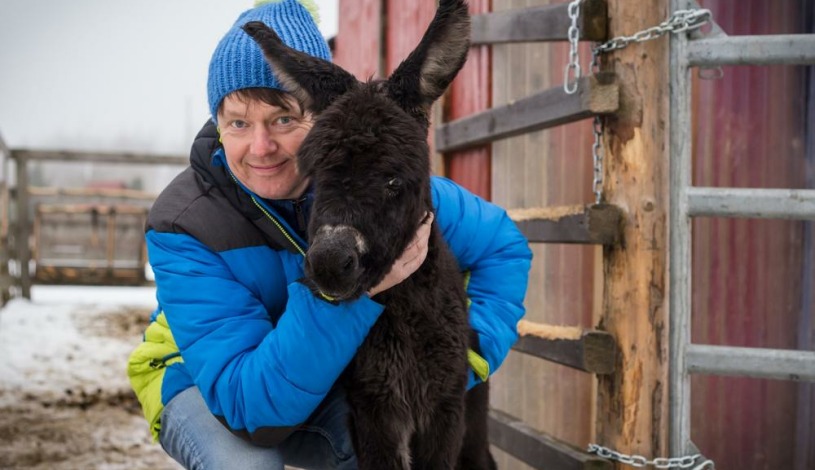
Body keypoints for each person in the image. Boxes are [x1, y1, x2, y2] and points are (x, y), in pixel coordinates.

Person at [127, 0, 532, 468]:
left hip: (313, 371)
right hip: (211, 383)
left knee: (369, 444)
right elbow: (252, 410)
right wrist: (356, 293)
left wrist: (470, 355)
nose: (261, 148)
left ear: (320, 115)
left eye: (282, 119)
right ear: (218, 127)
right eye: (238, 123)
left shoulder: (383, 186)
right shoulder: (183, 224)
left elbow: (502, 246)